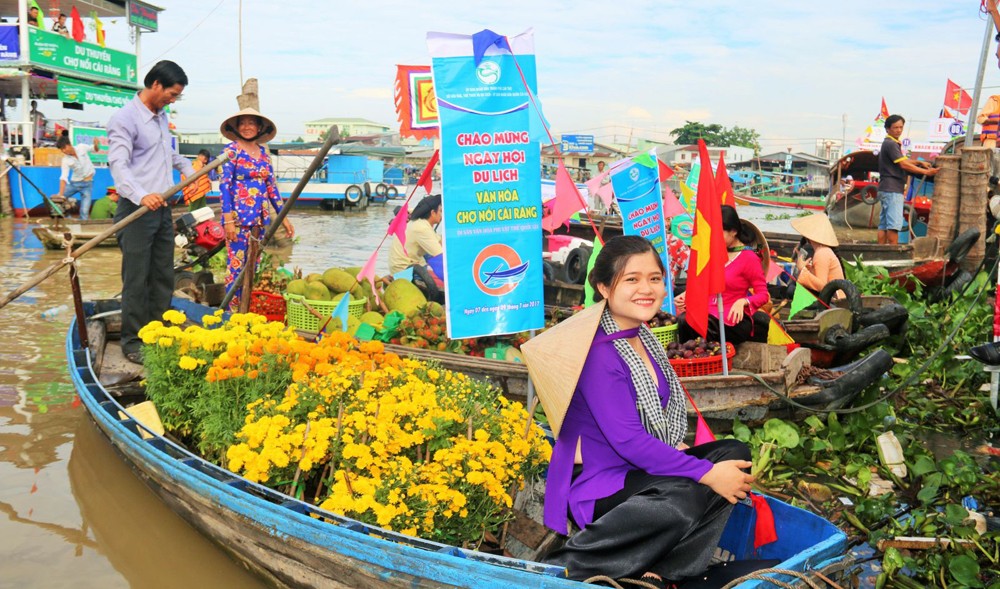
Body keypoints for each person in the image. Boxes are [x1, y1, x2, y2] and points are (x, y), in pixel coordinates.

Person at [521, 235, 755, 587]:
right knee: (685, 497)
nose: (646, 289)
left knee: (735, 456)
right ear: (604, 287)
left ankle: (663, 567)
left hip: (638, 469)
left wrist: (701, 465)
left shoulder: (643, 338)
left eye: (654, 278)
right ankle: (569, 565)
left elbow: (650, 430)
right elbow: (629, 441)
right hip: (600, 480)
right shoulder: (598, 353)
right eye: (632, 279)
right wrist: (705, 473)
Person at [108, 60, 195, 365]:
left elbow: (165, 153)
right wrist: (141, 195)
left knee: (162, 275)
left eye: (177, 96)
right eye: (172, 94)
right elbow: (119, 164)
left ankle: (158, 332)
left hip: (162, 208)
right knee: (137, 278)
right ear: (156, 84)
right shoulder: (125, 119)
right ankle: (132, 341)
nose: (173, 100)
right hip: (136, 209)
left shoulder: (160, 117)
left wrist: (188, 169)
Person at [219, 107, 294, 311]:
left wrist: (284, 218)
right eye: (242, 123)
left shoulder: (263, 154)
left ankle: (246, 308)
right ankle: (231, 312)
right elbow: (224, 186)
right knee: (236, 267)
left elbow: (272, 189)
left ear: (259, 127)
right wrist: (228, 221)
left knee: (253, 265)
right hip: (238, 219)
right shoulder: (231, 151)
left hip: (259, 220)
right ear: (236, 127)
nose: (247, 127)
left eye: (251, 123)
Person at [675, 205, 771, 345]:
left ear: (733, 231)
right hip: (708, 312)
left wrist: (743, 301)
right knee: (682, 320)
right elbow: (706, 285)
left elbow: (763, 295)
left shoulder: (749, 258)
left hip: (733, 319)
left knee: (688, 322)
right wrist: (687, 295)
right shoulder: (714, 254)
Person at [877, 115, 938, 245]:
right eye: (895, 128)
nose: (899, 130)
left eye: (901, 127)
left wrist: (919, 163)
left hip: (885, 188)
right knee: (893, 226)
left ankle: (880, 251)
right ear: (887, 129)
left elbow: (903, 160)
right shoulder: (891, 144)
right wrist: (926, 172)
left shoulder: (889, 143)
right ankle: (892, 253)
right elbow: (903, 165)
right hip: (892, 189)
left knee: (884, 225)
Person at [388, 194, 443, 277]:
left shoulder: (419, 221)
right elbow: (440, 255)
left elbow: (440, 242)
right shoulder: (422, 228)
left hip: (403, 264)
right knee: (440, 263)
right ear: (432, 213)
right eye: (440, 211)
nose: (442, 215)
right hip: (404, 270)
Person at [790, 212, 844, 294]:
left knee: (791, 290)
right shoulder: (823, 250)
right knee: (792, 287)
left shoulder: (822, 253)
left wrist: (802, 269)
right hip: (830, 296)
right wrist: (807, 268)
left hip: (831, 299)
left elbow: (822, 286)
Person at [54, 134, 101, 219]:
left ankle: (82, 226)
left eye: (64, 148)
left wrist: (96, 144)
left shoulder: (81, 147)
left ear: (69, 145)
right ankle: (68, 217)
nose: (63, 151)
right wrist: (61, 194)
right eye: (61, 150)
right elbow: (63, 177)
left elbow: (94, 149)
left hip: (88, 185)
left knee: (84, 212)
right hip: (74, 183)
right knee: (56, 202)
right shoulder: (65, 160)